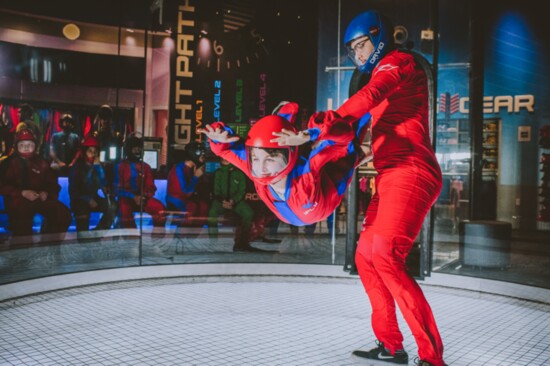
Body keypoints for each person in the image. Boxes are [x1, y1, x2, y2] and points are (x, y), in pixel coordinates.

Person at [327, 10, 446, 366]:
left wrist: (326, 123)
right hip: (392, 173)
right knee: (365, 256)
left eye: (361, 45)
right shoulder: (382, 81)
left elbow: (373, 93)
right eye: (352, 50)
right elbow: (368, 130)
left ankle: (431, 357)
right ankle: (391, 345)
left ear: (378, 38)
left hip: (412, 170)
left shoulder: (399, 63)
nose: (358, 55)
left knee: (385, 257)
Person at [199, 102, 371, 228]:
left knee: (335, 145)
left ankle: (282, 125)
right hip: (322, 200)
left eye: (268, 160)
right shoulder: (304, 176)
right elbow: (343, 140)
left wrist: (218, 138)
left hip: (293, 205)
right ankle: (358, 154)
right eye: (257, 159)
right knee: (349, 154)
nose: (261, 167)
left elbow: (223, 151)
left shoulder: (258, 172)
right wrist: (313, 134)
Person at [0, 128, 72, 239]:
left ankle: (50, 243)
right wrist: (22, 193)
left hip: (39, 198)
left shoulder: (41, 162)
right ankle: (23, 250)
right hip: (17, 200)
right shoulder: (8, 163)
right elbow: (3, 186)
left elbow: (52, 184)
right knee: (21, 219)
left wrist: (46, 193)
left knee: (62, 213)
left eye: (30, 144)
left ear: (35, 146)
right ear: (16, 146)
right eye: (22, 144)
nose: (26, 147)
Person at [207, 158, 269, 252]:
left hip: (236, 201)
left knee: (248, 213)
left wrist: (233, 201)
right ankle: (212, 240)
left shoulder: (239, 173)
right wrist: (222, 200)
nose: (225, 161)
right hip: (220, 201)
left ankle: (243, 242)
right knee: (212, 212)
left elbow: (241, 190)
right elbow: (216, 190)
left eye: (226, 159)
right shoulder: (218, 173)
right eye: (223, 159)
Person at [114, 133, 166, 230]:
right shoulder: (121, 166)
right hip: (126, 198)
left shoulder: (146, 167)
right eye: (135, 148)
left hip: (143, 199)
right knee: (124, 210)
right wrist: (133, 197)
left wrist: (144, 196)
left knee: (159, 208)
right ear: (129, 150)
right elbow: (117, 188)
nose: (137, 151)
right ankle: (132, 237)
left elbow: (151, 186)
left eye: (139, 148)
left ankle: (157, 237)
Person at [68, 135, 117, 237]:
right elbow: (74, 191)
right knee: (83, 232)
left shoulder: (97, 166)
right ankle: (83, 236)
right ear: (84, 152)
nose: (93, 154)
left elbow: (104, 184)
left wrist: (99, 167)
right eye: (90, 151)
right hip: (80, 200)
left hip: (94, 198)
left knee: (113, 206)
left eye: (95, 151)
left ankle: (98, 232)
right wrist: (88, 199)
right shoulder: (77, 167)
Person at [165, 142, 209, 231]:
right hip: (176, 199)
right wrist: (196, 177)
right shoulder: (179, 168)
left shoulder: (194, 167)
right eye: (200, 153)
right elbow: (185, 191)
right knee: (192, 207)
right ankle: (181, 234)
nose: (203, 156)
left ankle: (194, 235)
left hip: (188, 198)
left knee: (204, 206)